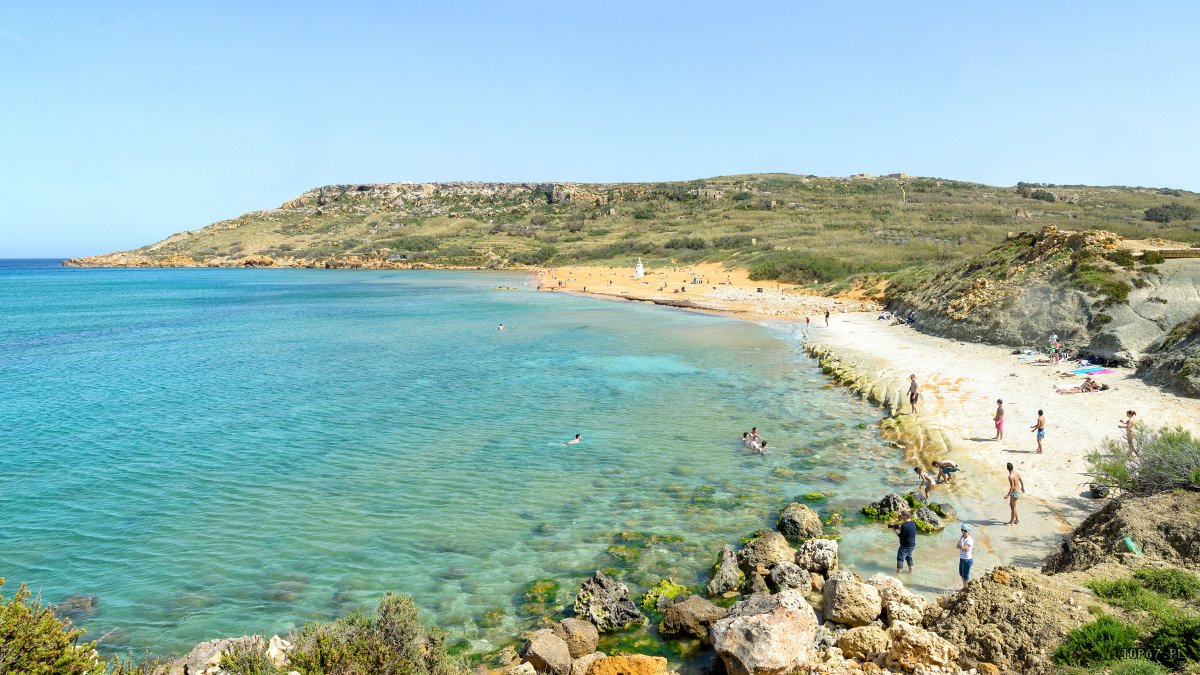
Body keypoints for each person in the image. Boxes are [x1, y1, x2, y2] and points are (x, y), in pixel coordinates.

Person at [957, 523, 974, 588]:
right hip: (962, 558)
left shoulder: (969, 540)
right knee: (961, 573)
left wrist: (962, 547)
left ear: (968, 531)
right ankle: (964, 587)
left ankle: (965, 589)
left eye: (965, 531)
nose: (963, 532)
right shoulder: (962, 537)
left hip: (967, 560)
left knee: (965, 575)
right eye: (962, 530)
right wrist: (962, 547)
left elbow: (965, 548)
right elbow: (957, 546)